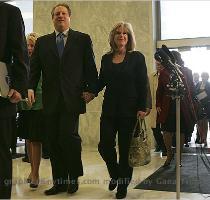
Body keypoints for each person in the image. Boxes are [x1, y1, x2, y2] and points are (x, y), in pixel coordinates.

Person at [28, 3, 98, 196]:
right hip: (50, 100)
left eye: (63, 13)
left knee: (69, 138)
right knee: (53, 140)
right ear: (52, 18)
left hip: (72, 98)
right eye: (56, 14)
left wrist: (92, 90)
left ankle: (73, 178)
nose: (60, 16)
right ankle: (59, 182)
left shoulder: (82, 39)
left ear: (69, 17)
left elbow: (90, 67)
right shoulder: (42, 42)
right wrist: (30, 87)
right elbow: (34, 70)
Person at [97, 22, 148, 199]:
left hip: (130, 111)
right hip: (109, 110)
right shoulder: (105, 58)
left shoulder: (137, 57)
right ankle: (115, 174)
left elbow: (143, 83)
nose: (121, 35)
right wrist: (89, 92)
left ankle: (123, 186)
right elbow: (101, 81)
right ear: (113, 36)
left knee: (126, 150)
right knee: (104, 146)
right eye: (118, 33)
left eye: (125, 33)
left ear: (129, 37)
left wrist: (144, 106)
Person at [0, 2, 29, 199]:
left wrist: (19, 86)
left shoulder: (9, 12)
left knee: (1, 150)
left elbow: (20, 52)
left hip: (1, 92)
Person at [155, 48, 196, 167]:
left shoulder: (186, 72)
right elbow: (160, 91)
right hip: (167, 106)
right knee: (166, 131)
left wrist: (191, 105)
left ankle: (179, 157)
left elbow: (191, 90)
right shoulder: (164, 72)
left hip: (183, 106)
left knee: (181, 131)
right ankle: (169, 154)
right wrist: (158, 104)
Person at [18, 32, 43, 188]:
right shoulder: (22, 62)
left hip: (38, 104)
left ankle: (36, 173)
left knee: (35, 139)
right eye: (27, 44)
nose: (29, 48)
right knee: (28, 138)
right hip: (24, 104)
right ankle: (31, 170)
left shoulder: (41, 61)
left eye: (32, 45)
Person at [148, 61, 166, 156]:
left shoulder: (167, 75)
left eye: (160, 65)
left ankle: (166, 148)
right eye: (157, 65)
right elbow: (147, 90)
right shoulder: (151, 76)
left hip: (164, 107)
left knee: (165, 128)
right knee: (154, 127)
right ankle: (161, 145)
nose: (158, 66)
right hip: (153, 106)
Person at [195, 72, 210, 146]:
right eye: (202, 76)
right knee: (199, 122)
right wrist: (197, 98)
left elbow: (208, 94)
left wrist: (199, 97)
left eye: (205, 76)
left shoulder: (209, 84)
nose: (203, 78)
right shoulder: (198, 83)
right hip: (198, 106)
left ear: (208, 77)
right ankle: (201, 137)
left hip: (207, 106)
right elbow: (194, 92)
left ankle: (205, 138)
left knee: (205, 123)